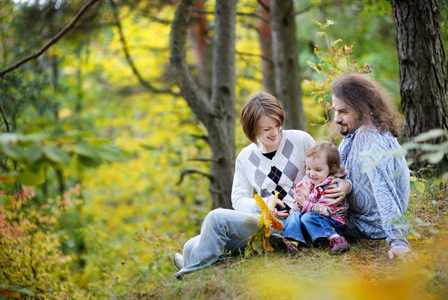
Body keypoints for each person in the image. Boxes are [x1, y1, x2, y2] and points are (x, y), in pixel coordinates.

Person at [173, 91, 351, 278]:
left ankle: (191, 271)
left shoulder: (300, 140)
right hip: (267, 224)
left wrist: (347, 184)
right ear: (252, 129)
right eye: (266, 129)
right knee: (191, 245)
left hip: (298, 223)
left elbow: (328, 169)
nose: (274, 132)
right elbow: (238, 200)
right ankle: (196, 262)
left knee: (215, 218)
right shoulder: (245, 157)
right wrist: (264, 204)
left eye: (277, 125)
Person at [330, 73, 411, 259]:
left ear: (362, 110)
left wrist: (398, 241)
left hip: (369, 225)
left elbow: (384, 190)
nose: (336, 118)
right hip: (356, 217)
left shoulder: (369, 138)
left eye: (343, 112)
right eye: (335, 110)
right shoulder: (356, 133)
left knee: (306, 217)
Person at [270, 141, 350, 254]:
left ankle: (336, 239)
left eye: (318, 170)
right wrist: (301, 199)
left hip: (332, 224)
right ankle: (291, 241)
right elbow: (300, 210)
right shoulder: (308, 182)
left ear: (332, 168)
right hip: (311, 223)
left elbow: (326, 211)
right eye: (308, 168)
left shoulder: (333, 186)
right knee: (295, 215)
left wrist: (305, 202)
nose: (312, 173)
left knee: (308, 217)